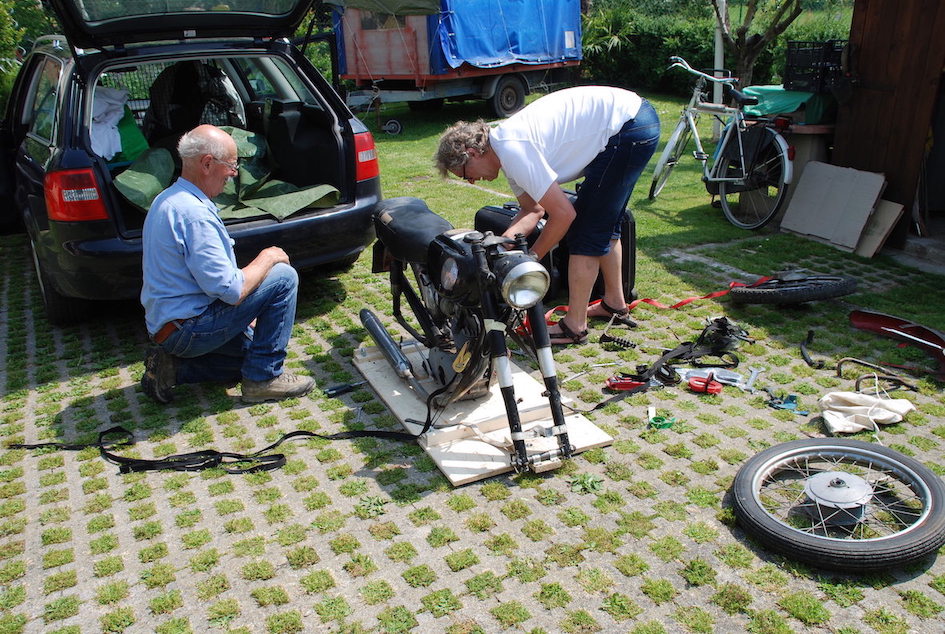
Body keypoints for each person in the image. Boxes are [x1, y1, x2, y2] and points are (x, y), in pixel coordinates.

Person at [434, 86, 659, 344]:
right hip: (632, 120)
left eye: (465, 174)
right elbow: (533, 210)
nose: (471, 182)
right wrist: (502, 247)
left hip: (629, 126)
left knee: (586, 230)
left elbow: (563, 215)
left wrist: (531, 258)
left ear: (472, 153)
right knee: (604, 223)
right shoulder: (505, 153)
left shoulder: (512, 149)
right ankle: (614, 304)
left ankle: (575, 327)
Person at [140, 124, 314, 403]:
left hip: (169, 326)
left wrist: (249, 312)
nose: (234, 174)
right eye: (231, 166)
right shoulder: (194, 214)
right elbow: (232, 291)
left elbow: (208, 279)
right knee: (282, 275)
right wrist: (268, 256)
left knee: (252, 354)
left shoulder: (169, 199)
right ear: (207, 163)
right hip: (188, 330)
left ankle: (172, 369)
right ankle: (263, 380)